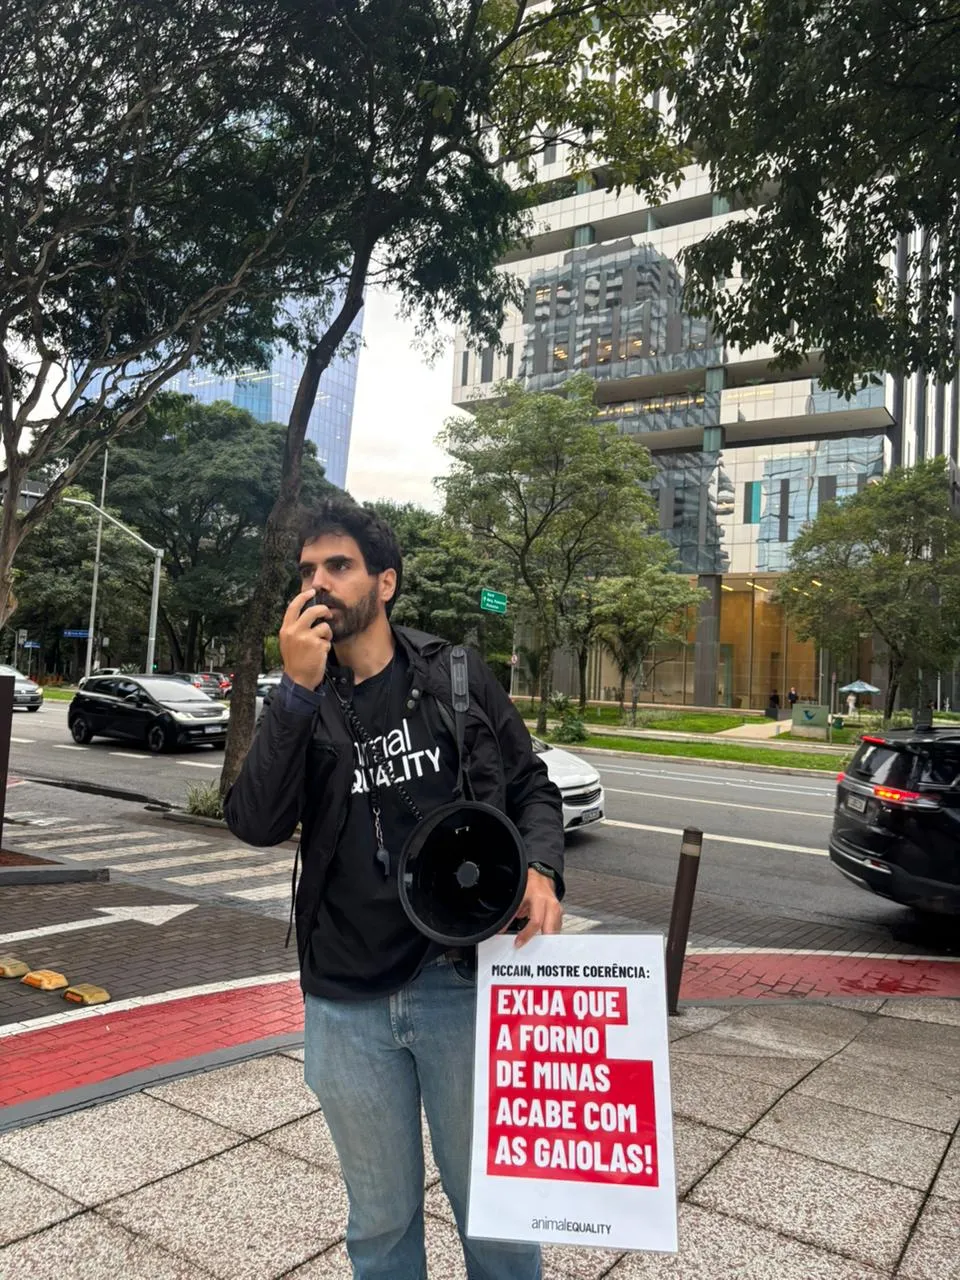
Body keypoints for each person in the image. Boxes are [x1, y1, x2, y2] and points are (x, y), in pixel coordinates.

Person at [225, 497, 564, 1280]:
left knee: (499, 1215)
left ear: (385, 582)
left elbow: (530, 785)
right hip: (345, 999)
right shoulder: (302, 702)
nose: (318, 584)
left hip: (460, 982)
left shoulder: (454, 674)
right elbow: (254, 821)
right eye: (306, 571)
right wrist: (293, 694)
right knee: (379, 1223)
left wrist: (542, 869)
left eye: (337, 567)